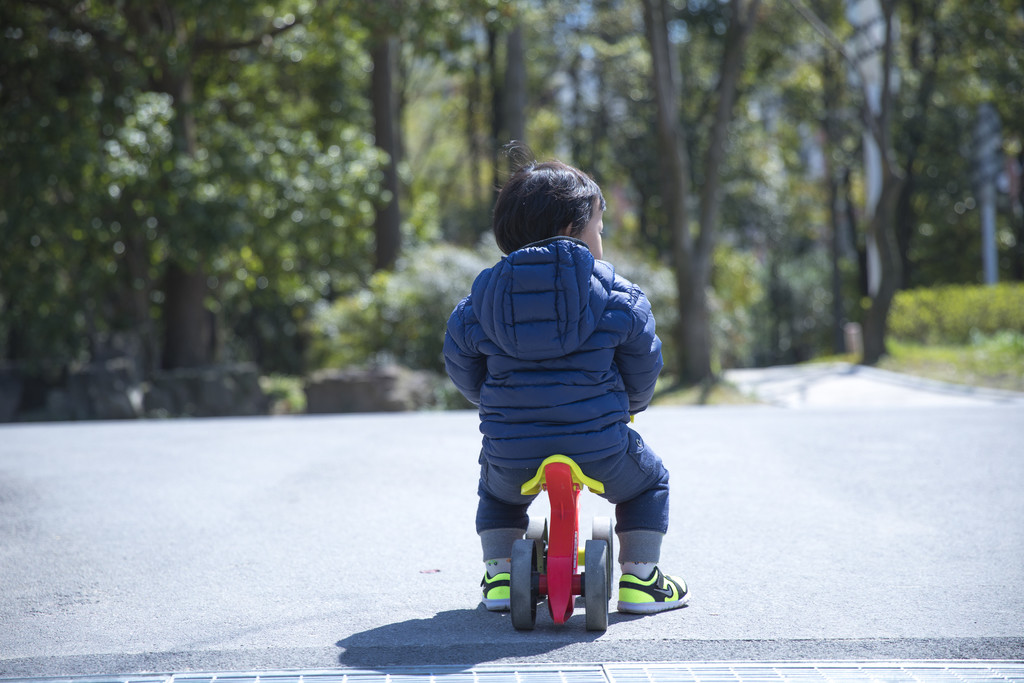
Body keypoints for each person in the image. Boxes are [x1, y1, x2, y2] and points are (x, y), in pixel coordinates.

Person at [443, 154, 688, 615]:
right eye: (599, 226)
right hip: (600, 447)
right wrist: (629, 405)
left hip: (513, 452)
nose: (601, 237)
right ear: (574, 228)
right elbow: (642, 368)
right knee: (648, 483)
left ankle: (498, 576)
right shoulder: (618, 294)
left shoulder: (478, 301)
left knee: (496, 491)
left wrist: (494, 403)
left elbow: (463, 367)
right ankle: (642, 580)